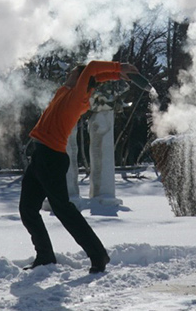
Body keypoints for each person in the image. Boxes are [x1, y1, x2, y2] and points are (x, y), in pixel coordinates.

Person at [19, 59, 139, 274]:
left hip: (51, 158)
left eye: (74, 72)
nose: (69, 74)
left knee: (64, 210)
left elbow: (92, 68)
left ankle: (98, 254)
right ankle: (45, 255)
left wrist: (119, 67)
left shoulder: (77, 98)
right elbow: (94, 76)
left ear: (81, 80)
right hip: (39, 156)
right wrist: (115, 75)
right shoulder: (66, 91)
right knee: (27, 209)